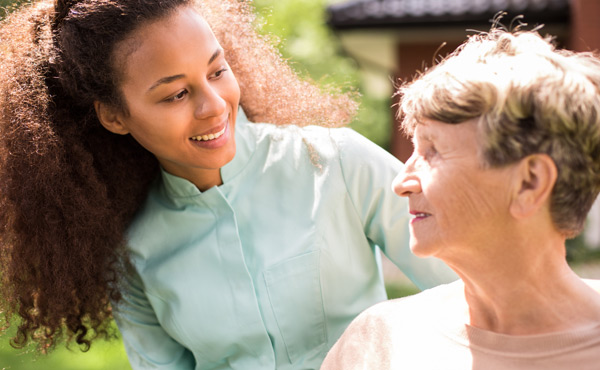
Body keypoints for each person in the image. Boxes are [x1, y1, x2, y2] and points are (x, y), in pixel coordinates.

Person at [0, 0, 456, 368]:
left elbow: (467, 291)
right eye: (176, 94)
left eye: (217, 71)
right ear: (114, 116)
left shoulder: (336, 163)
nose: (215, 106)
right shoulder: (132, 255)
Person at [321, 28, 600, 370]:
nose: (401, 182)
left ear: (529, 182)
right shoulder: (376, 342)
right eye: (414, 149)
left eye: (432, 151)